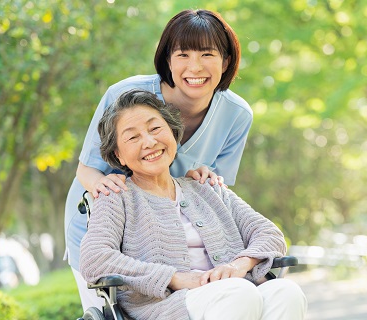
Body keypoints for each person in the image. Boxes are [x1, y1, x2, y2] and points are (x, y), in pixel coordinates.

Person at [65, 9, 254, 310]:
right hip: (111, 227)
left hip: (175, 238)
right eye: (183, 55)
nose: (195, 67)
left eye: (207, 54)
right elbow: (87, 170)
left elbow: (215, 191)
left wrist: (205, 174)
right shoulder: (125, 95)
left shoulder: (236, 115)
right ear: (167, 59)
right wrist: (107, 187)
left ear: (226, 60)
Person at [80, 89, 307, 320]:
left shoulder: (205, 186)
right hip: (167, 306)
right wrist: (174, 278)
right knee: (239, 292)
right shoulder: (116, 196)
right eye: (133, 137)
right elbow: (95, 257)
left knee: (286, 292)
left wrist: (240, 265)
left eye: (155, 128)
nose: (149, 142)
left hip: (235, 289)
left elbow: (270, 234)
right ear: (119, 155)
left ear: (172, 132)